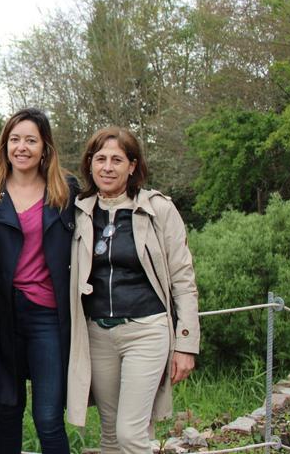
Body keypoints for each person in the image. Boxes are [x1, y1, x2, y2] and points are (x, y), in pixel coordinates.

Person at [65, 127, 200, 454]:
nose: (107, 167)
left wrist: (186, 343)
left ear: (132, 166)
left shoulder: (158, 209)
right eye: (100, 159)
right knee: (110, 437)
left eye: (116, 159)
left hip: (147, 332)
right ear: (89, 164)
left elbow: (183, 278)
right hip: (97, 334)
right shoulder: (80, 211)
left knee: (130, 435)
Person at [0, 108, 78, 454]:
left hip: (49, 316)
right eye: (15, 139)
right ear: (5, 145)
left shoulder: (67, 192)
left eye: (31, 140)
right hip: (2, 314)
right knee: (9, 411)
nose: (22, 147)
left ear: (45, 147)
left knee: (48, 418)